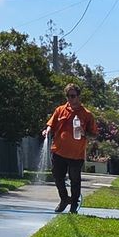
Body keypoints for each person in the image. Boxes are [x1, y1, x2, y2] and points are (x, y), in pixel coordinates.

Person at [42, 83, 96, 213]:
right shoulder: (60, 110)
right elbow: (51, 124)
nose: (70, 99)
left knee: (75, 180)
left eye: (72, 96)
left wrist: (84, 133)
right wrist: (47, 130)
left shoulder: (86, 114)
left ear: (78, 96)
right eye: (68, 96)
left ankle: (73, 205)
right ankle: (64, 199)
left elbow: (93, 133)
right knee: (57, 177)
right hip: (59, 151)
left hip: (76, 154)